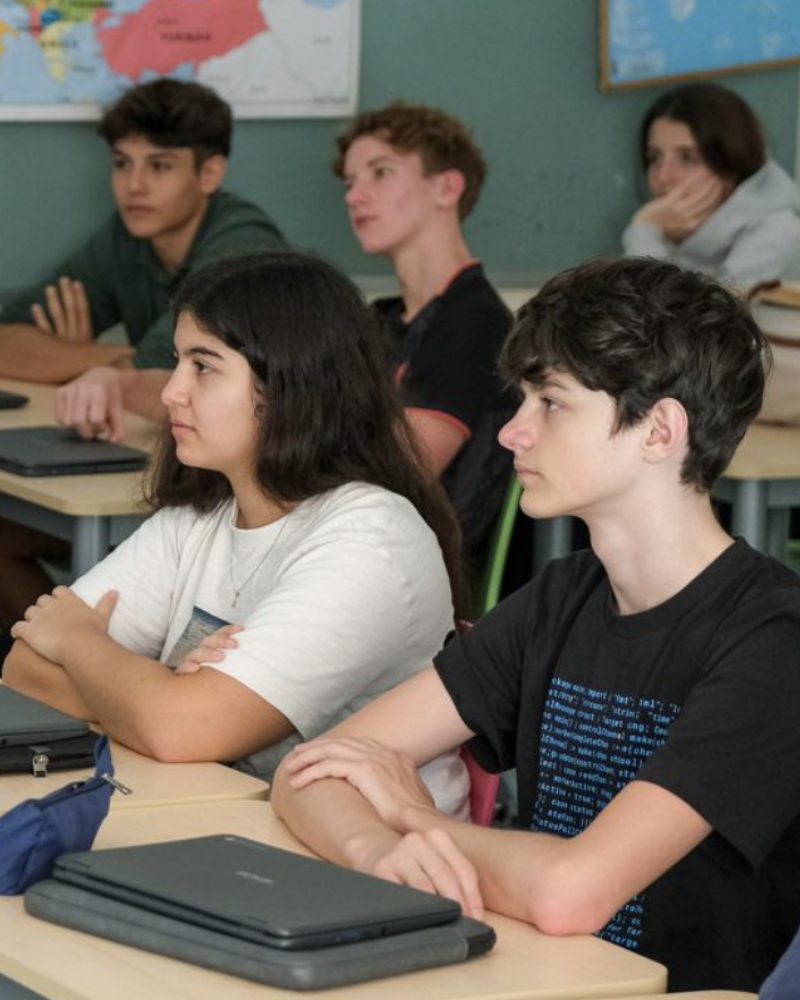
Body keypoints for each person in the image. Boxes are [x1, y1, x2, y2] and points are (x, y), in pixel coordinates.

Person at [272, 256, 800, 993]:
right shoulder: (563, 596)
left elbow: (572, 893)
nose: (515, 432)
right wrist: (376, 850)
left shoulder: (775, 640)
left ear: (659, 431)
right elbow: (313, 769)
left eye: (550, 403)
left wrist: (409, 814)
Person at [4, 250, 469, 817]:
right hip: (223, 825)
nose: (172, 391)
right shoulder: (199, 515)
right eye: (177, 362)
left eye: (203, 366)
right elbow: (24, 670)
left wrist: (80, 642)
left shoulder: (371, 539)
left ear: (290, 384)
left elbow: (177, 729)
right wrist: (160, 694)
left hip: (361, 865)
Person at [0, 78, 285, 634]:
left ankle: (82, 677)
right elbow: (7, 339)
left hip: (239, 493)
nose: (134, 185)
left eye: (159, 166)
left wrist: (101, 365)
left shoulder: (239, 245)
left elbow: (157, 379)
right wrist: (103, 358)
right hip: (164, 463)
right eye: (122, 164)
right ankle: (61, 678)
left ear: (209, 173)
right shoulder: (128, 237)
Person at [334, 101, 513, 562]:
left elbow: (398, 471)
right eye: (350, 182)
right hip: (359, 546)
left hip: (421, 573)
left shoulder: (473, 319)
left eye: (380, 173)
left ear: (446, 187)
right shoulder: (382, 320)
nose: (354, 196)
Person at [622, 81, 800, 289]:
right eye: (655, 157)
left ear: (731, 167)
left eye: (688, 158)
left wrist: (644, 232)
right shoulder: (671, 223)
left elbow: (678, 317)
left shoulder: (777, 231)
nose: (663, 177)